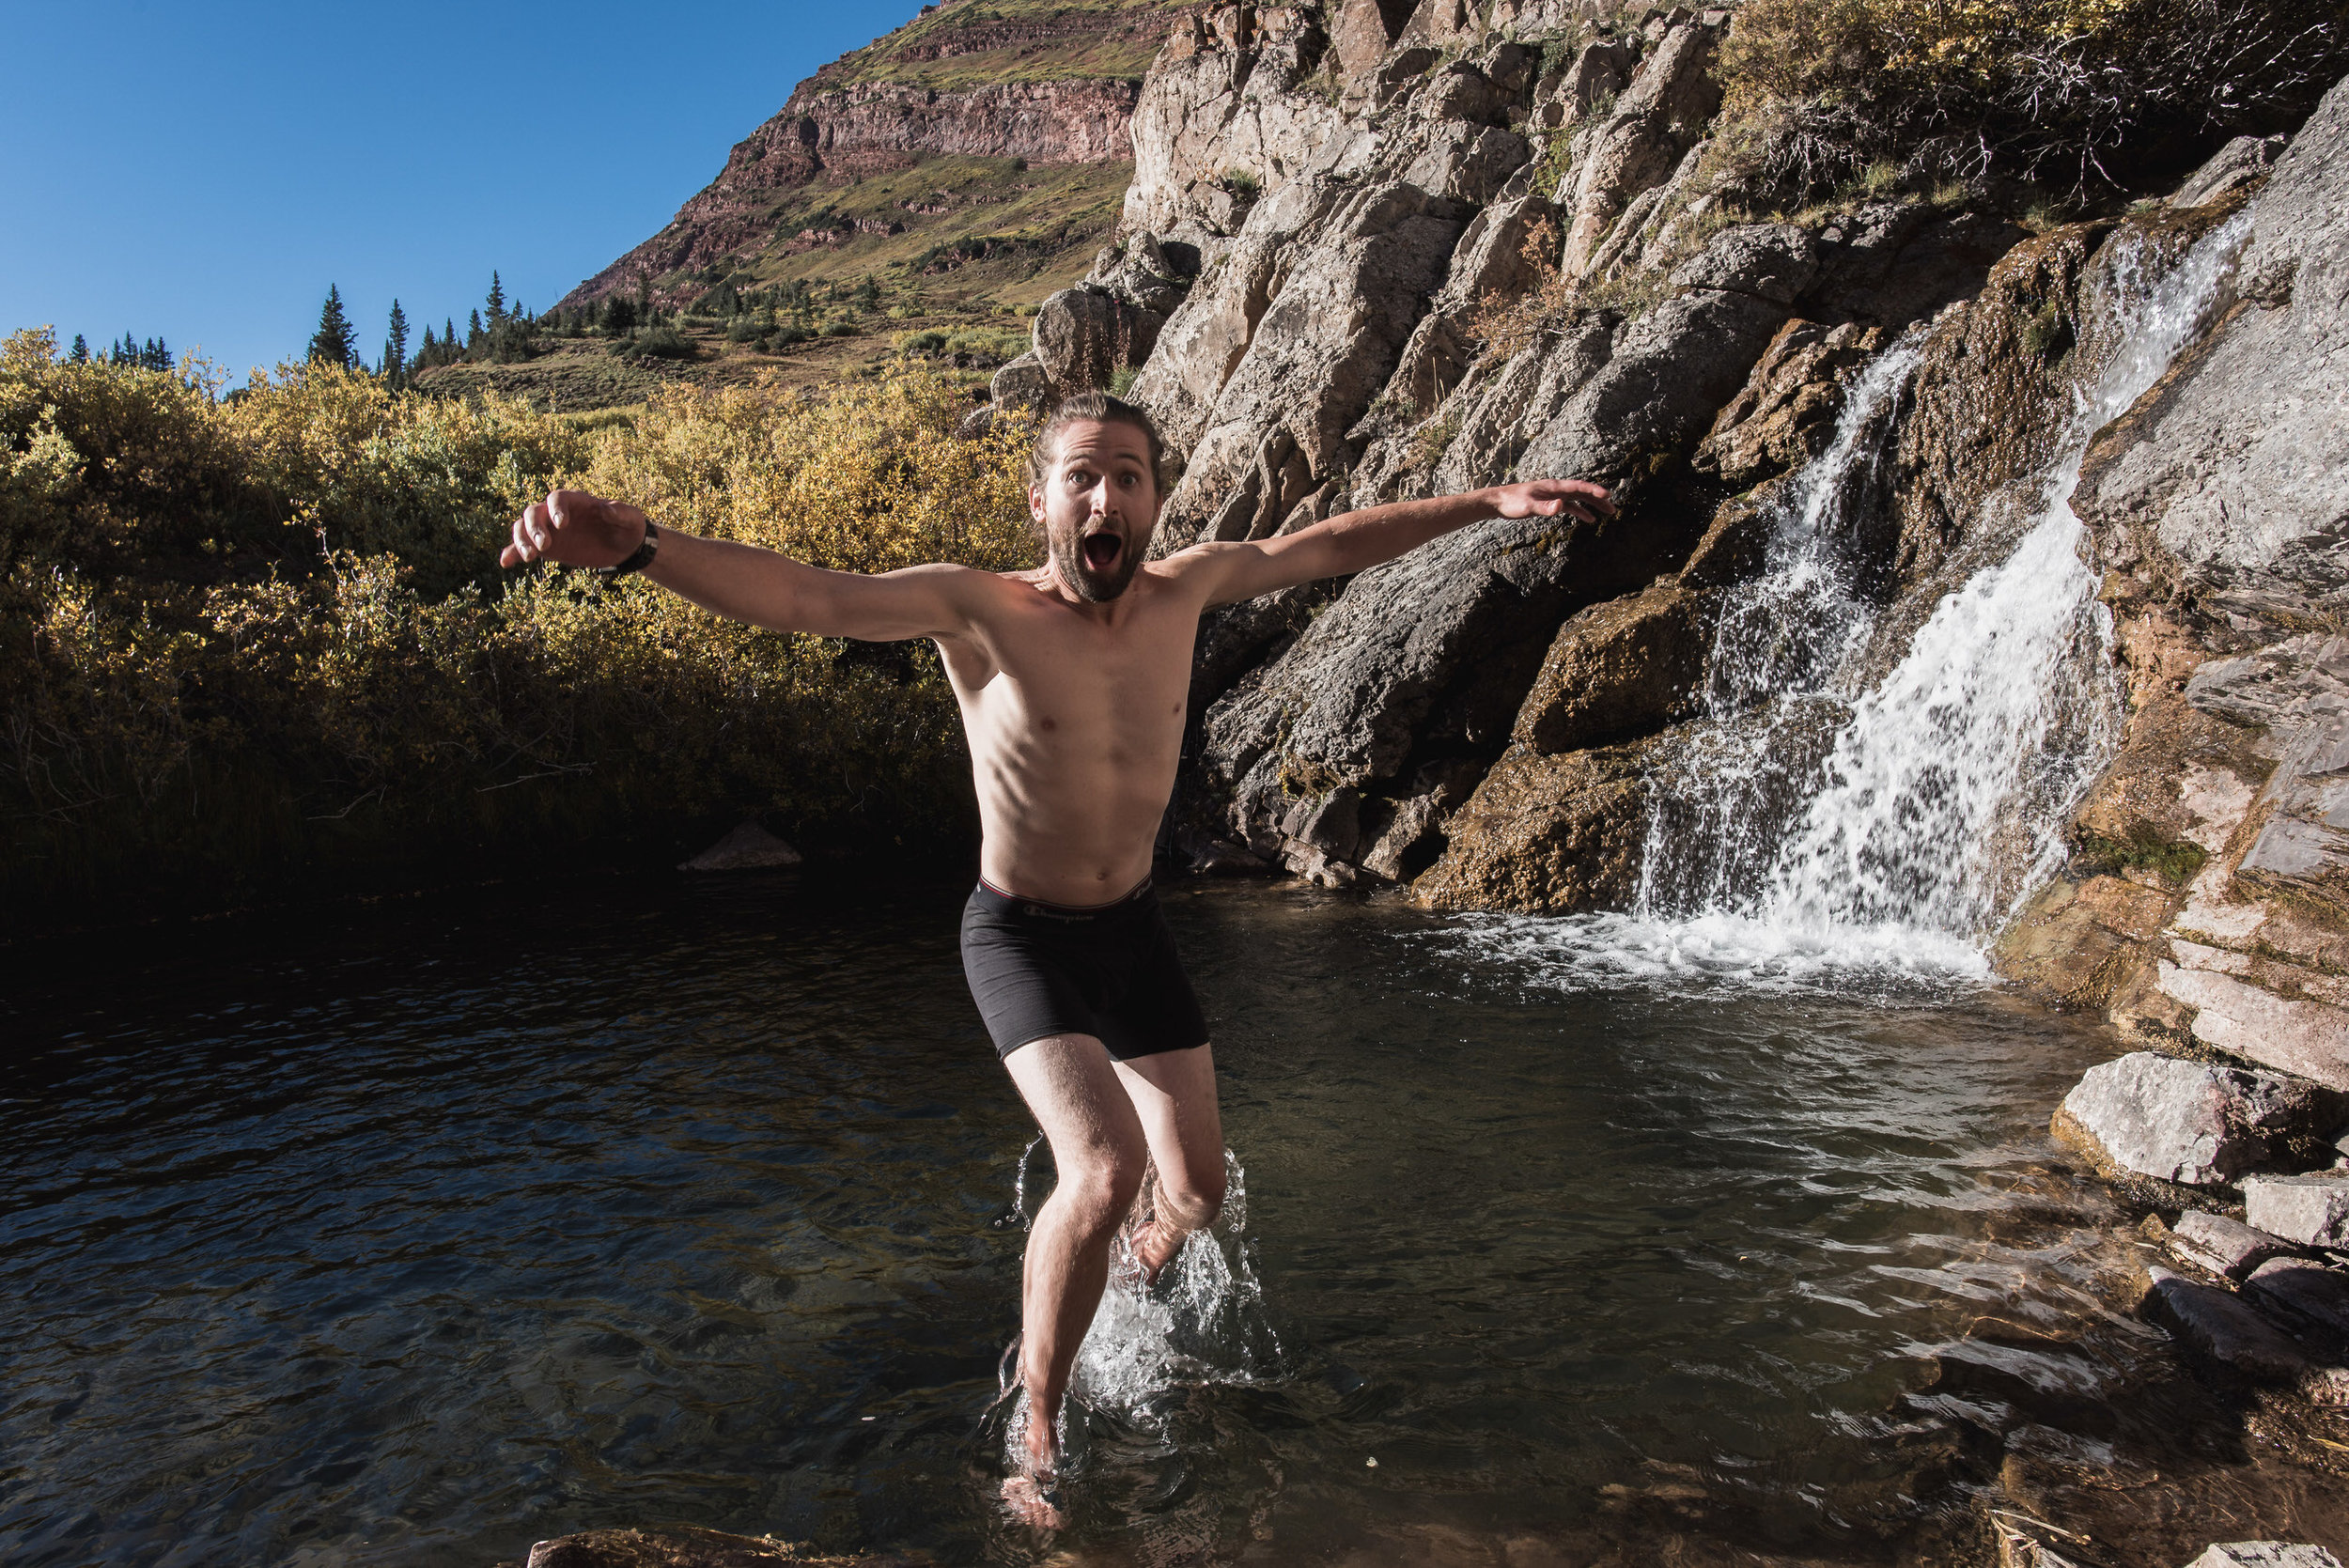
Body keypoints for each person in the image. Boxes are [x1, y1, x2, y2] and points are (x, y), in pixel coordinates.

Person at [500, 391, 1613, 1524]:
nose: (1106, 497)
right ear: (1042, 501)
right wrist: (639, 546)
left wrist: (1485, 501)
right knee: (1102, 1167)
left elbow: (1320, 545)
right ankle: (1037, 1420)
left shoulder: (1187, 587)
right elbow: (802, 596)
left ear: (1154, 500)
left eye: (1128, 476)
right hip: (1020, 937)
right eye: (1082, 476)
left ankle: (1111, 1275)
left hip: (1131, 932)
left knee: (1196, 1191)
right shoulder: (978, 610)